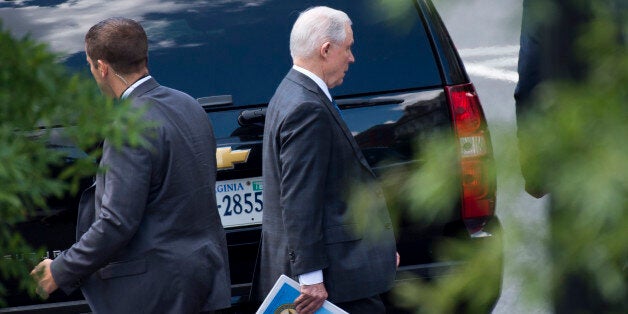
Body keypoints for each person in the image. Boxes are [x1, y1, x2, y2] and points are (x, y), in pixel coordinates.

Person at [30, 17, 231, 313]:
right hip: (205, 278)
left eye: (89, 65)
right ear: (144, 58)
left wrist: (59, 271)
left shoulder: (127, 126)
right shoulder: (189, 104)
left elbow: (116, 222)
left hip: (155, 293)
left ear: (102, 67)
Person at [258, 6, 397, 314]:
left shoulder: (289, 92)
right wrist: (310, 279)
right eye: (347, 48)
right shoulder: (307, 107)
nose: (352, 57)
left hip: (339, 273)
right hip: (335, 286)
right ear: (326, 49)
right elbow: (300, 199)